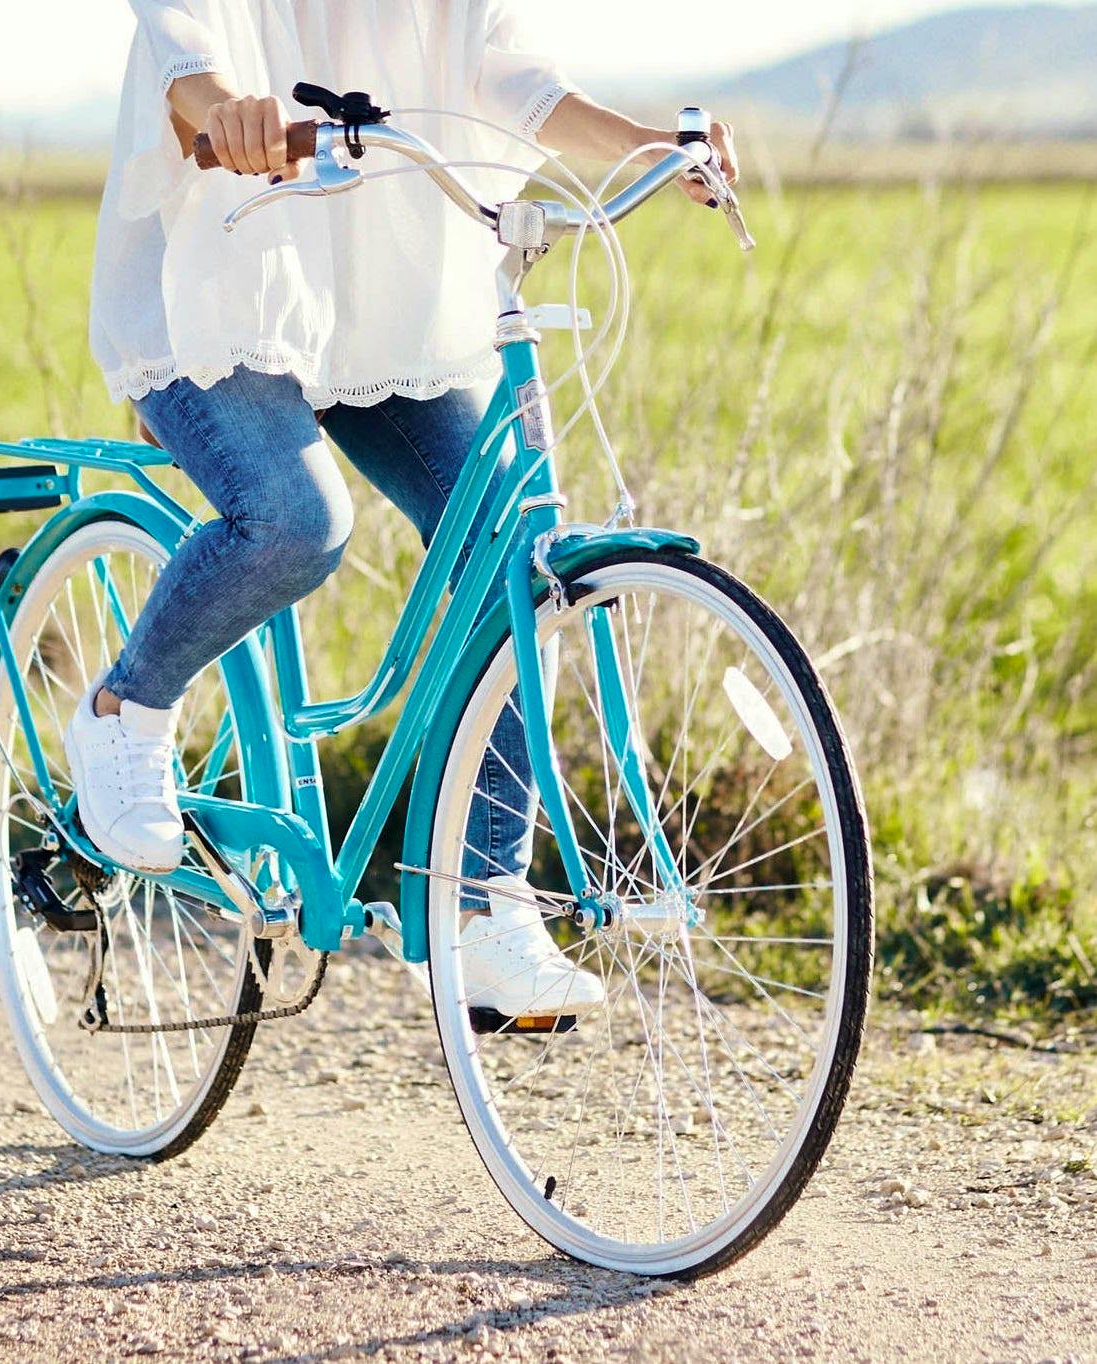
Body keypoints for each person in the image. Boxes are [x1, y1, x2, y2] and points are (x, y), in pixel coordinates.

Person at [66, 0, 738, 1017]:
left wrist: (644, 144)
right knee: (295, 520)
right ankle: (126, 707)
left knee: (516, 550)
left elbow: (505, 71)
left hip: (386, 297)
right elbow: (183, 65)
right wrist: (229, 115)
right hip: (222, 286)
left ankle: (482, 906)